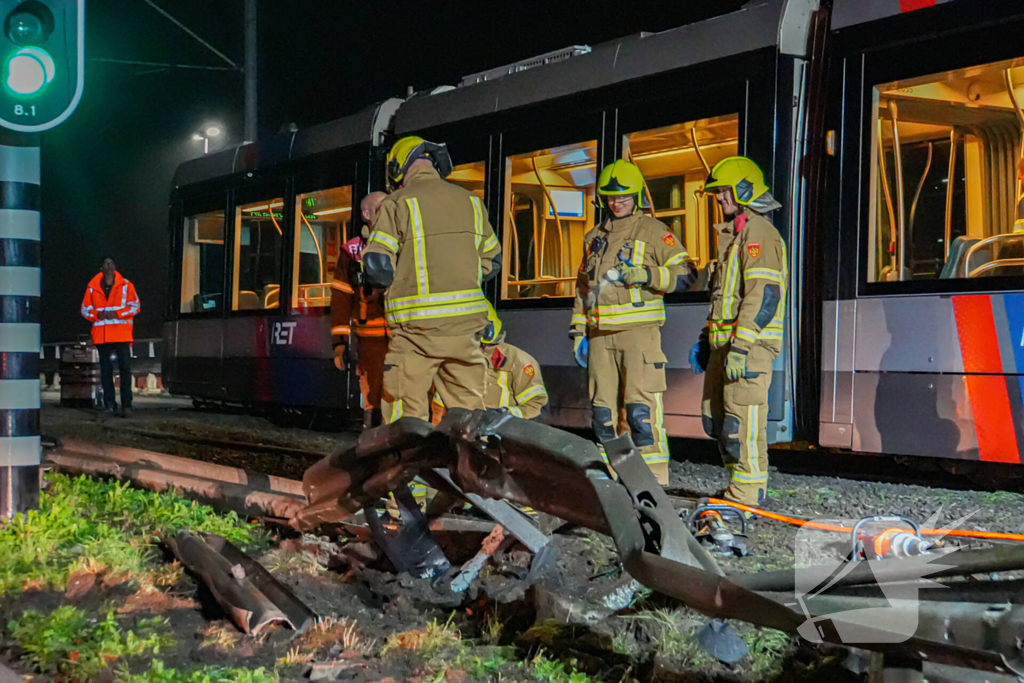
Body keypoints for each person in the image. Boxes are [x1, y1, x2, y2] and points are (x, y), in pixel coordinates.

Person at [570, 160, 696, 485]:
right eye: (611, 197)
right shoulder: (593, 237)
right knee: (602, 415)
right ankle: (614, 478)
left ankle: (653, 480)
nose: (617, 202)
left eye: (623, 196)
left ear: (637, 195)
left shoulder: (655, 233)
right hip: (599, 338)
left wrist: (649, 275)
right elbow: (582, 288)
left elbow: (687, 275)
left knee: (641, 413)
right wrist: (578, 331)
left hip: (639, 336)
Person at [362, 136, 502, 422]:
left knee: (405, 414)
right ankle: (471, 464)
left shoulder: (398, 203)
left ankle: (408, 466)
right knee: (470, 417)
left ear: (397, 167)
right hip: (465, 330)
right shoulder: (472, 202)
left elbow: (377, 265)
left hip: (415, 333)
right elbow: (493, 262)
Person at [690, 156, 787, 508]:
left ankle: (747, 495)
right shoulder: (736, 238)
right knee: (718, 421)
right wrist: (706, 339)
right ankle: (738, 488)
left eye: (725, 191)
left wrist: (742, 347)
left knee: (740, 422)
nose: (720, 198)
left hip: (748, 348)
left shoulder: (760, 234)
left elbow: (764, 296)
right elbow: (725, 299)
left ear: (745, 189)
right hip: (725, 346)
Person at [431, 303, 548, 422]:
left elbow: (536, 406)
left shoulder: (518, 361)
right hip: (463, 434)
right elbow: (439, 407)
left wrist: (502, 416)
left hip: (501, 436)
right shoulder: (455, 361)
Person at [331, 191, 389, 428]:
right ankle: (375, 438)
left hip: (406, 334)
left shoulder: (406, 244)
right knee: (374, 394)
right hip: (371, 341)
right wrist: (339, 342)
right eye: (382, 209)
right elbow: (341, 297)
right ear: (366, 214)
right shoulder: (352, 251)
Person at [80, 257, 141, 417]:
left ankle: (126, 406)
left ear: (115, 266)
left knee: (125, 370)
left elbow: (135, 306)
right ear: (101, 267)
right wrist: (97, 315)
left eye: (111, 262)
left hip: (121, 334)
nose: (109, 265)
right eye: (106, 263)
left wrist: (117, 313)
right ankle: (109, 405)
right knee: (106, 372)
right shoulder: (92, 287)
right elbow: (85, 309)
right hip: (102, 336)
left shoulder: (127, 285)